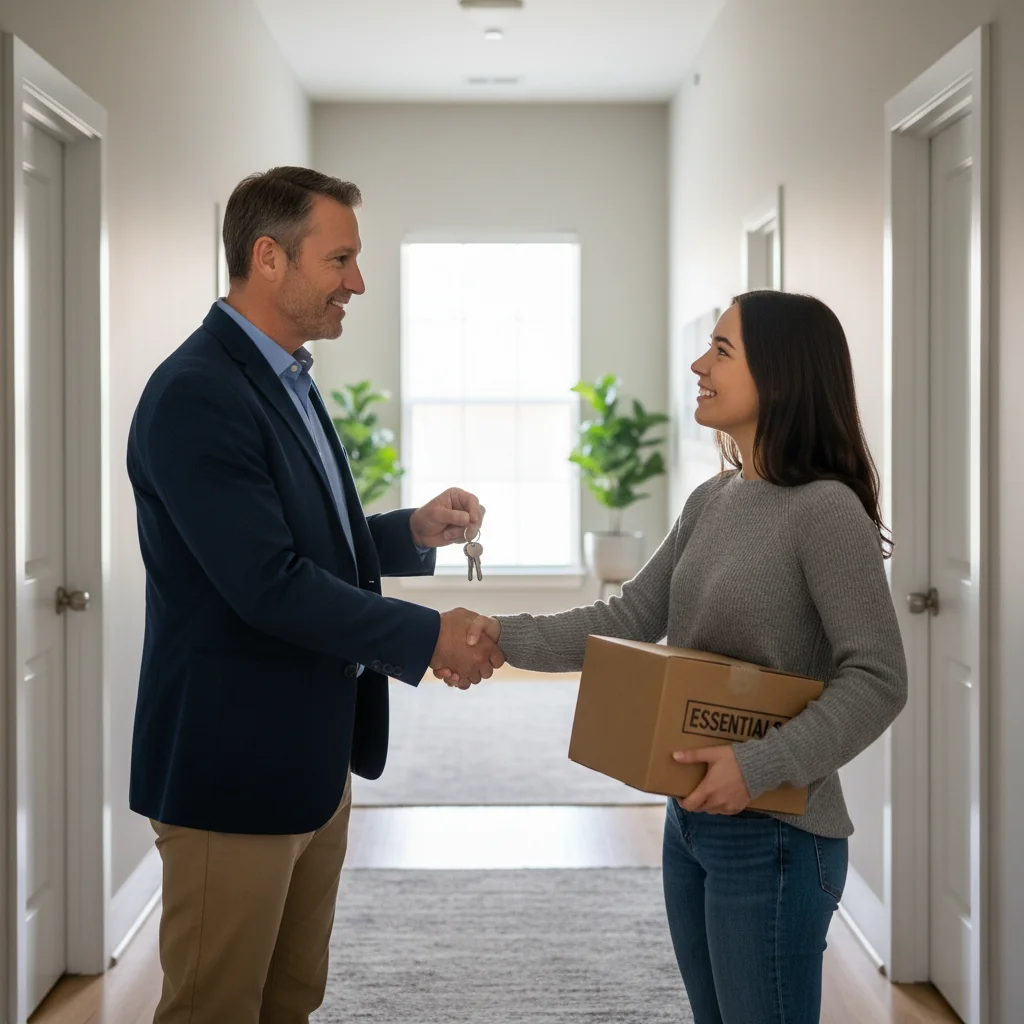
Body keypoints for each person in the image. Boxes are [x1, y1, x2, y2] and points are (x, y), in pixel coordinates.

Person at [435, 291, 909, 1024]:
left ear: (781, 375)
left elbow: (878, 678)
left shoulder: (823, 511)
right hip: (689, 820)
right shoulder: (713, 500)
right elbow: (630, 616)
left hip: (777, 837)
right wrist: (499, 636)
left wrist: (754, 768)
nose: (698, 364)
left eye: (721, 351)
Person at [126, 166, 499, 1024]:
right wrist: (426, 636)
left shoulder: (285, 374)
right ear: (268, 258)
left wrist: (409, 531)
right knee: (216, 1007)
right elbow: (266, 583)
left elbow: (298, 545)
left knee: (290, 998)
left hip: (309, 761)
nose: (357, 283)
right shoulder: (197, 394)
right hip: (234, 768)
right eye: (341, 259)